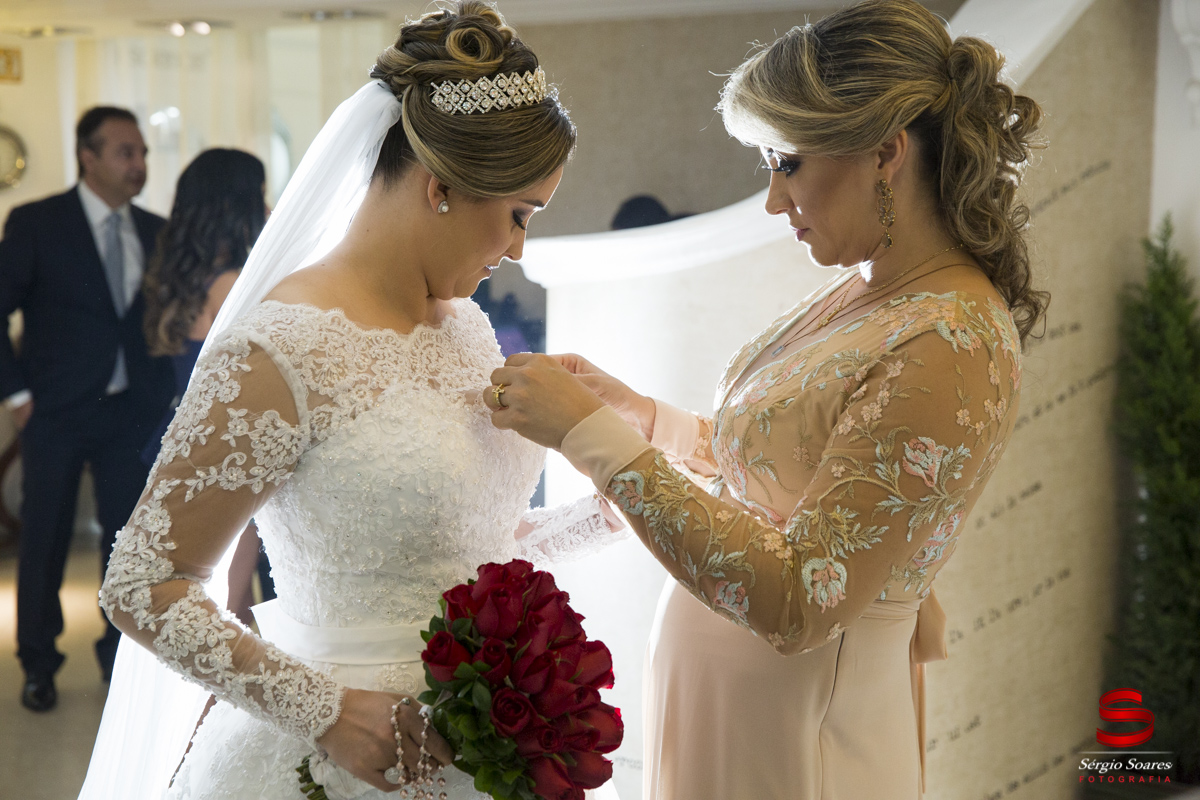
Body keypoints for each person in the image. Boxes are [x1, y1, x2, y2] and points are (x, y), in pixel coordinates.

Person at [485, 1, 1047, 797]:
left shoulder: (950, 342)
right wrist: (644, 417)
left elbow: (803, 599)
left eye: (787, 163)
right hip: (737, 716)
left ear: (886, 152)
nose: (775, 201)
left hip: (805, 742)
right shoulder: (869, 291)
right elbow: (785, 472)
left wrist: (595, 442)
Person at [81, 4, 623, 798]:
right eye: (517, 217)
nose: (517, 251)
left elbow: (456, 543)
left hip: (476, 749)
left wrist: (606, 511)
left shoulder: (466, 326)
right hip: (333, 761)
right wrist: (326, 711)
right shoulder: (282, 349)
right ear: (440, 188)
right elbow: (140, 584)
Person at [0, 106, 174, 710]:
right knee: (44, 539)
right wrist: (18, 397)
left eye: (143, 153)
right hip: (54, 411)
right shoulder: (37, 223)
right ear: (89, 156)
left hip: (132, 412)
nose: (139, 165)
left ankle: (118, 658)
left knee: (127, 543)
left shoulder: (157, 231)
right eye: (126, 152)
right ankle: (38, 663)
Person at [140, 147, 274, 626]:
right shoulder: (236, 284)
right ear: (236, 205)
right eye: (260, 195)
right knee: (230, 606)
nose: (269, 206)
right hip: (231, 443)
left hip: (184, 433)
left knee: (211, 589)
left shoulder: (182, 278)